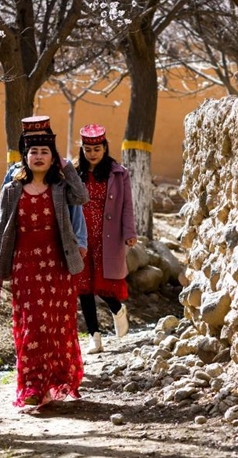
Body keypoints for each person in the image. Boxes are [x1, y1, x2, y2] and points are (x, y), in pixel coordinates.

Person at [0, 115, 89, 407]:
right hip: (25, 266)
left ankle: (53, 381)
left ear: (53, 157)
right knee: (31, 325)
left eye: (45, 152)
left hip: (57, 266)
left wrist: (67, 165)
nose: (39, 156)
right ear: (25, 156)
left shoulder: (60, 189)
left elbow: (81, 197)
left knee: (56, 326)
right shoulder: (11, 190)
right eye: (33, 152)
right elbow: (0, 229)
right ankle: (32, 386)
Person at [75, 124, 137, 354]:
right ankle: (95, 337)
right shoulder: (73, 173)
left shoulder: (118, 173)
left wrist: (129, 232)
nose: (92, 154)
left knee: (103, 284)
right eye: (88, 149)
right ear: (82, 149)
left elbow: (127, 206)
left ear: (104, 148)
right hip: (80, 237)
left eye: (97, 149)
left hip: (107, 236)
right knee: (84, 288)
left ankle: (118, 309)